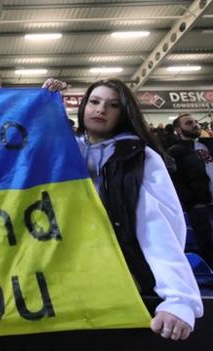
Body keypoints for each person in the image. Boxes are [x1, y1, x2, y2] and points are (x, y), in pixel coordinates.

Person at [75, 79, 202, 340]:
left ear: (124, 113)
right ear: (83, 106)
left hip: (120, 273)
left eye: (112, 105)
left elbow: (158, 224)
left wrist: (179, 299)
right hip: (69, 273)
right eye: (94, 102)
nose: (101, 110)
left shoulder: (140, 156)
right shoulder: (63, 149)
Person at [167, 113, 213, 268]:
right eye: (188, 123)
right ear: (178, 130)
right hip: (200, 206)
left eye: (195, 122)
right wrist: (193, 201)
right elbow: (174, 181)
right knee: (207, 245)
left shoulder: (206, 145)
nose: (195, 125)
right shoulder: (175, 151)